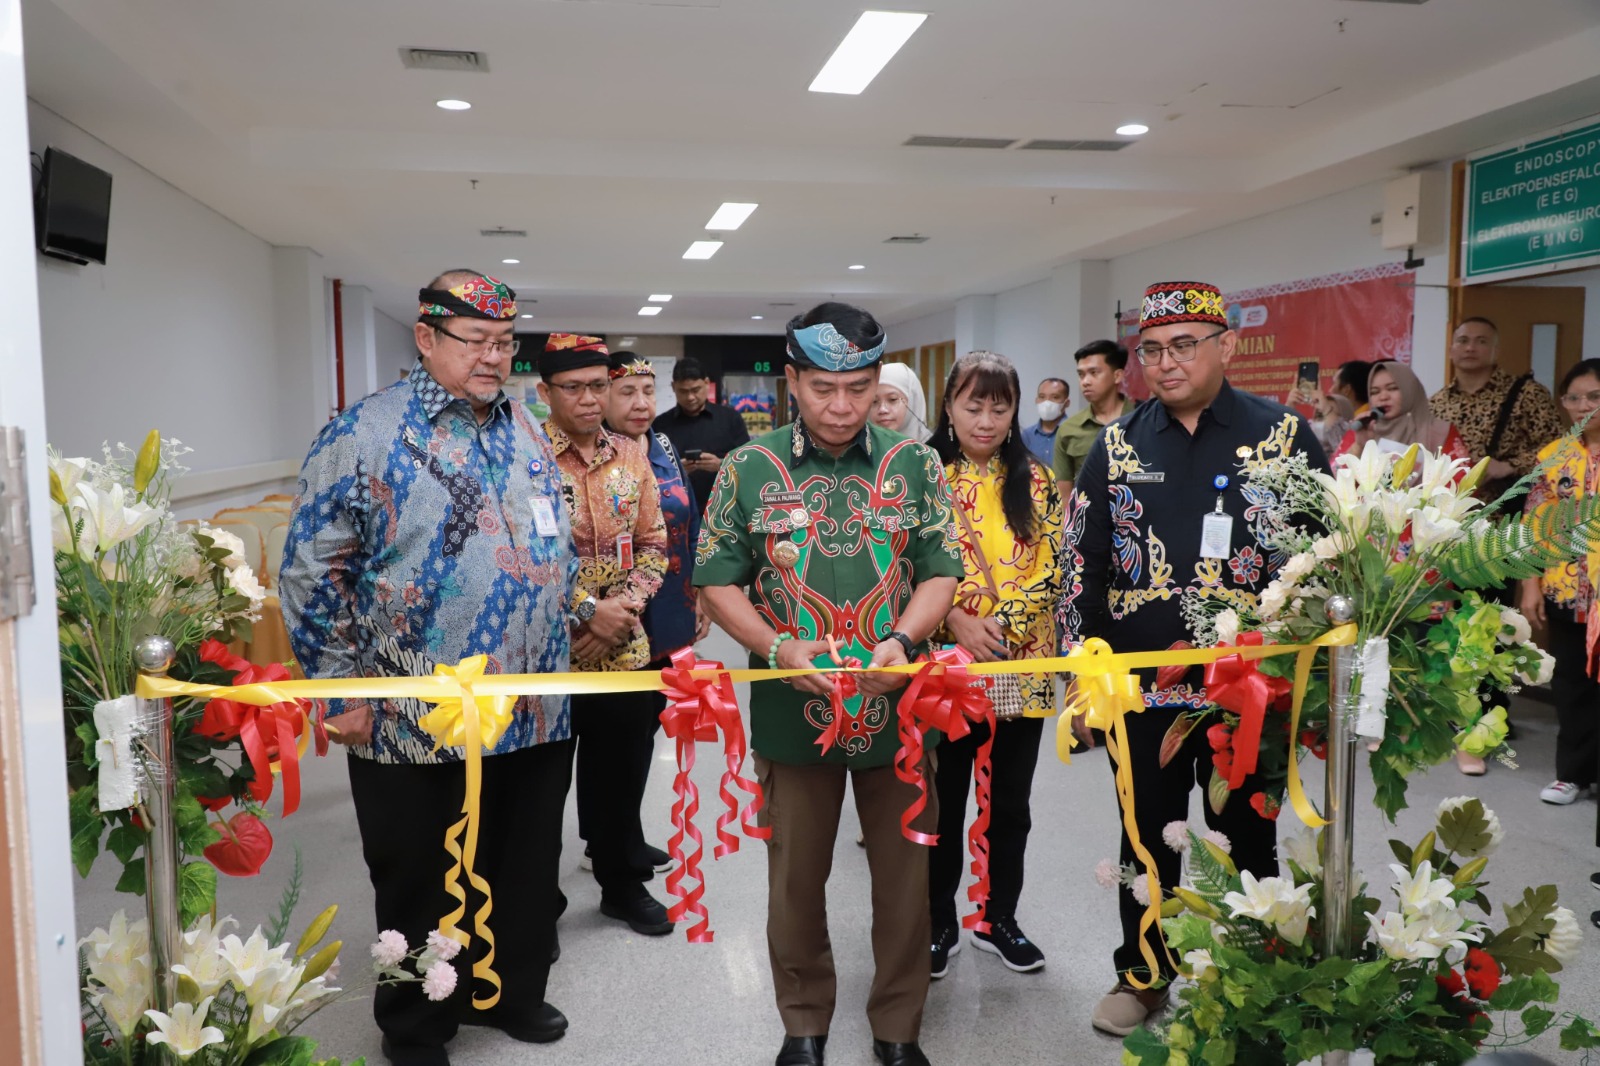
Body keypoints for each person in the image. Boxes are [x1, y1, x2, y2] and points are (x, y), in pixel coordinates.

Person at [280, 270, 576, 1065]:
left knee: (521, 864)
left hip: (535, 703)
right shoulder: (365, 431)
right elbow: (312, 568)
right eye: (475, 341)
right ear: (426, 337)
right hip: (411, 713)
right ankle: (415, 1025)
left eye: (504, 342)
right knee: (414, 882)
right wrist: (341, 688)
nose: (493, 357)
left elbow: (554, 541)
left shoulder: (527, 426)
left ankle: (511, 993)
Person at [695, 301, 963, 1066]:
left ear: (879, 382)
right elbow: (717, 582)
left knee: (907, 882)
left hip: (898, 715)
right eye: (821, 389)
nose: (841, 407)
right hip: (792, 711)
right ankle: (804, 1021)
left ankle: (898, 1028)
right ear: (791, 381)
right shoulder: (751, 468)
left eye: (858, 388)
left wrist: (904, 640)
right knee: (795, 883)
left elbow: (942, 571)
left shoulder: (914, 465)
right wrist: (778, 647)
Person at [1061, 281, 1328, 1037]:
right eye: (1151, 350)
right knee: (1145, 831)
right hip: (1142, 686)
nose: (1165, 363)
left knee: (1249, 827)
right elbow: (1079, 567)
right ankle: (1143, 976)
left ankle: (1256, 967)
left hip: (1250, 689)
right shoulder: (1118, 444)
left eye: (1184, 345)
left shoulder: (1284, 436)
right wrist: (1083, 681)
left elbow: (1328, 555)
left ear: (1227, 346)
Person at [927, 351, 1062, 981]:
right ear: (949, 405)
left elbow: (1054, 566)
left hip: (1020, 662)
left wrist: (1005, 625)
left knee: (1010, 802)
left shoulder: (1035, 481)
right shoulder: (920, 476)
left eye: (999, 406)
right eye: (972, 404)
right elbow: (902, 564)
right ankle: (937, 920)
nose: (985, 419)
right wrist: (954, 616)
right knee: (943, 799)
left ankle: (998, 918)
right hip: (946, 666)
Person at [537, 334, 673, 936]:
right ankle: (538, 906)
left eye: (598, 385)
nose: (590, 399)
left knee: (621, 774)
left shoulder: (631, 456)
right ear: (546, 392)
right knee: (538, 787)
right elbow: (520, 555)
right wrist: (585, 611)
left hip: (624, 646)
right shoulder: (524, 457)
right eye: (574, 387)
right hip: (546, 649)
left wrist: (623, 610)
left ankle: (622, 886)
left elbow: (654, 543)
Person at [1520, 358, 1600, 807]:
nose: (1583, 406)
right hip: (1568, 588)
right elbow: (1534, 524)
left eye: (1594, 396)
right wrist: (1531, 584)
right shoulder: (1553, 456)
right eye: (1574, 397)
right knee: (1571, 682)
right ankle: (1572, 774)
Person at [1429, 317, 1565, 503]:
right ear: (1451, 350)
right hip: (1450, 514)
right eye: (1463, 341)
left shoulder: (1527, 393)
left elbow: (1559, 447)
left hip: (1504, 513)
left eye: (1481, 341)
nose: (1470, 348)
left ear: (1496, 351)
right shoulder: (1437, 402)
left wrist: (1510, 466)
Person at [652, 356, 752, 506]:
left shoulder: (730, 419)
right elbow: (650, 471)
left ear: (706, 383)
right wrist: (676, 471)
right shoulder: (660, 425)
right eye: (683, 391)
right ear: (673, 387)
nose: (690, 397)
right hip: (676, 510)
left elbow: (748, 463)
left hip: (724, 507)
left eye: (695, 390)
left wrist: (721, 465)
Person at [1333, 362, 1470, 463]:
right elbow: (1333, 481)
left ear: (1410, 390)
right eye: (1375, 392)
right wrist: (1359, 446)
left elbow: (1463, 483)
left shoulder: (1440, 432)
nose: (1383, 397)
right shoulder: (1361, 429)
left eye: (1392, 389)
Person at [1052, 339, 1137, 500]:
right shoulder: (1069, 430)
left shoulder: (1143, 421)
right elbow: (1064, 495)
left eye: (1094, 373)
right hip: (1089, 520)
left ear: (1117, 376)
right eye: (1081, 374)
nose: (1085, 381)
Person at [872, 361, 931, 442]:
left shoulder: (934, 451)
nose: (882, 409)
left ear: (912, 402)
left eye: (892, 399)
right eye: (874, 402)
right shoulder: (862, 450)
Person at [1021, 377, 1070, 467]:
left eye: (1055, 397)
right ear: (1036, 400)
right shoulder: (1027, 435)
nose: (1047, 403)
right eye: (1042, 397)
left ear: (1066, 403)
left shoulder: (1073, 432)